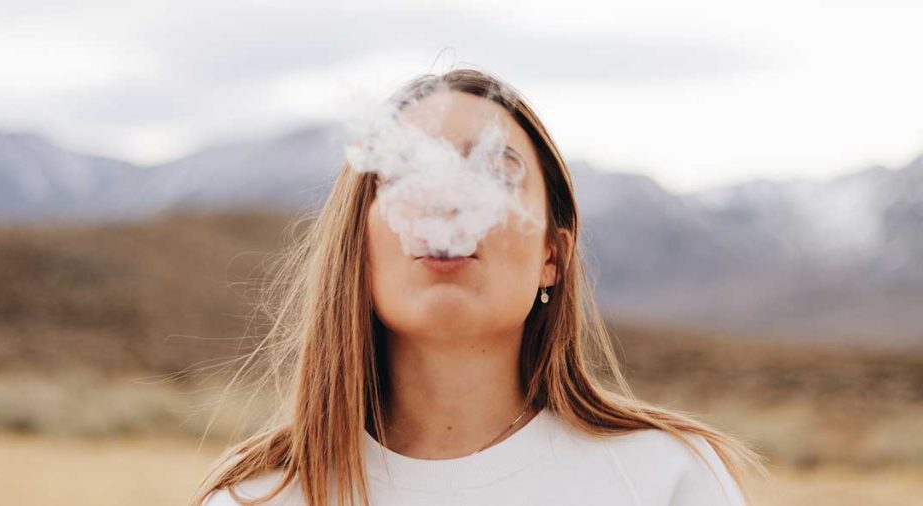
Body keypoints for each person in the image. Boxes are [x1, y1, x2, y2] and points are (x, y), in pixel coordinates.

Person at [191, 67, 767, 506]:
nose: (447, 199)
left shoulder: (664, 480)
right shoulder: (261, 496)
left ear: (552, 256)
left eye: (493, 171)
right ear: (356, 247)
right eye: (407, 171)